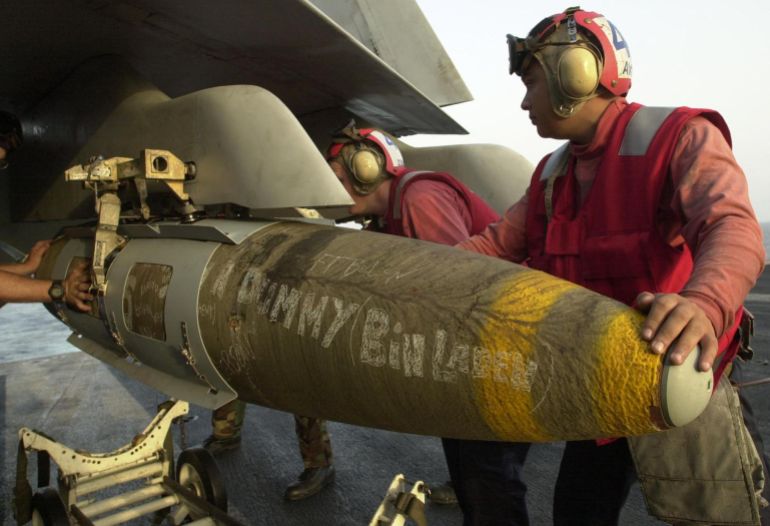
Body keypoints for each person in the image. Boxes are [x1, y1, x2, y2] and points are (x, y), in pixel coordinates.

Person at [458, 6, 767, 525]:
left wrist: (703, 304)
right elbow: (491, 250)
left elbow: (733, 227)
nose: (523, 100)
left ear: (573, 74)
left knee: (731, 515)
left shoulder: (678, 136)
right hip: (604, 387)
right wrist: (402, 271)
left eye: (531, 81)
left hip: (683, 374)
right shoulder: (551, 176)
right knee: (577, 514)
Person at [324, 123, 532, 520]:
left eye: (336, 177)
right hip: (474, 354)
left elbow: (452, 291)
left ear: (366, 168)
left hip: (497, 352)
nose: (330, 190)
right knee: (472, 474)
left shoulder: (419, 199)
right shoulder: (389, 218)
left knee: (489, 480)